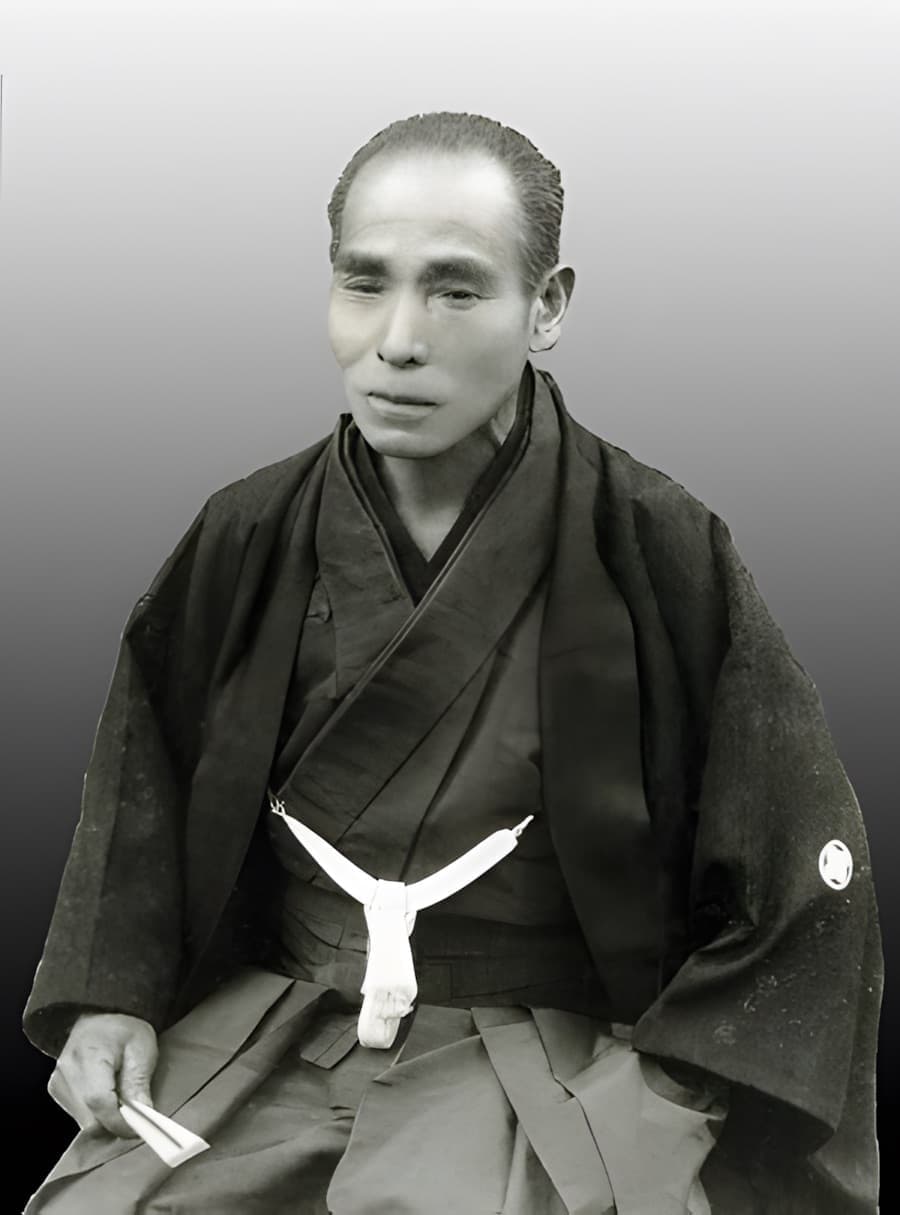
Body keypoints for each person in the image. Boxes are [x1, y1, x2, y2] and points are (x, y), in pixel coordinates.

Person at [23, 112, 881, 1214]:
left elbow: (794, 863)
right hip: (279, 1023)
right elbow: (141, 787)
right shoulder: (251, 531)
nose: (398, 340)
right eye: (364, 283)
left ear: (547, 306)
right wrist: (111, 996)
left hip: (559, 1053)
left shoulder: (657, 545)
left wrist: (679, 1089)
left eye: (457, 290)